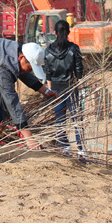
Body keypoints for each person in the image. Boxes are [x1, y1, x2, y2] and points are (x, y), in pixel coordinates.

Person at [44, 19, 84, 157]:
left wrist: (50, 91)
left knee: (60, 120)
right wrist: (78, 83)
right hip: (71, 88)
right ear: (68, 32)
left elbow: (48, 73)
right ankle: (81, 149)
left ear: (55, 33)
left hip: (56, 90)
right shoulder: (74, 49)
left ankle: (65, 147)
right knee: (77, 119)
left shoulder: (48, 50)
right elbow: (79, 71)